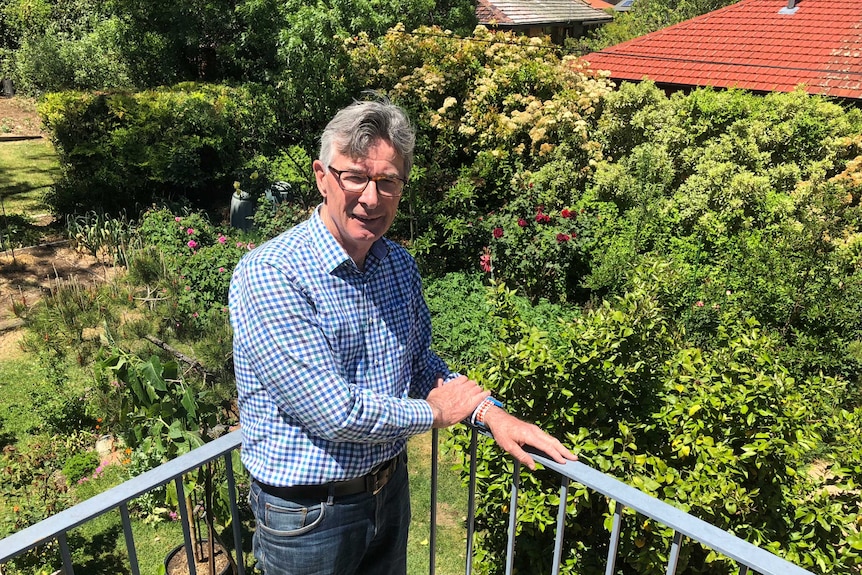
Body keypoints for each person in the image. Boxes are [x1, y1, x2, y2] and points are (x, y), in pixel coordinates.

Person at [229, 97, 576, 575]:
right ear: (321, 176)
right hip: (308, 516)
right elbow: (333, 413)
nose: (371, 198)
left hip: (387, 493)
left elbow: (418, 364)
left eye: (387, 181)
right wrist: (436, 413)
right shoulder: (272, 274)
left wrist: (491, 414)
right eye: (355, 176)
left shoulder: (397, 265)